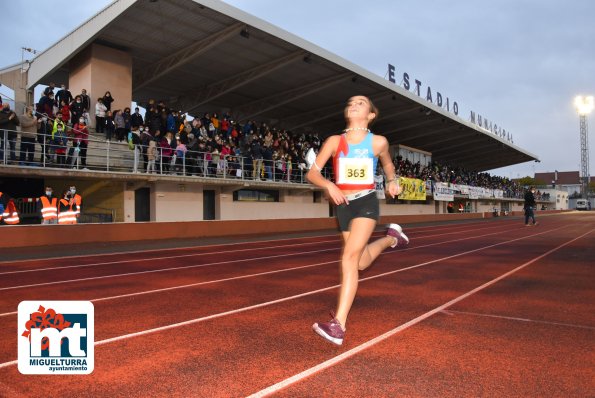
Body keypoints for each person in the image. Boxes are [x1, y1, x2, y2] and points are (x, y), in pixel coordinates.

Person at [307, 95, 409, 345]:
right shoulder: (334, 141)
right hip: (343, 206)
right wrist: (328, 185)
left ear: (371, 115)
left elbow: (388, 167)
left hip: (365, 202)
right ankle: (391, 239)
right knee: (360, 261)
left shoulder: (379, 142)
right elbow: (312, 173)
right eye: (350, 102)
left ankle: (338, 325)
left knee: (349, 258)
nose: (353, 104)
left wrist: (393, 182)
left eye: (361, 102)